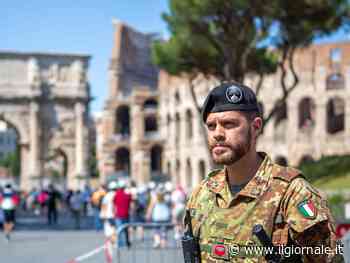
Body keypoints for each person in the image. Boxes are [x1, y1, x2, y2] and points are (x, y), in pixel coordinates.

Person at [185, 82, 343, 262]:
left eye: (229, 124)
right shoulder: (202, 194)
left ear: (256, 126)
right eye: (211, 126)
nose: (217, 134)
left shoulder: (292, 195)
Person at [113, 180, 131, 248]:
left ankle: (119, 244)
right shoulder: (127, 195)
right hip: (126, 214)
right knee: (126, 230)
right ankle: (127, 242)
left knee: (119, 230)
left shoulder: (117, 195)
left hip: (118, 215)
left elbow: (114, 204)